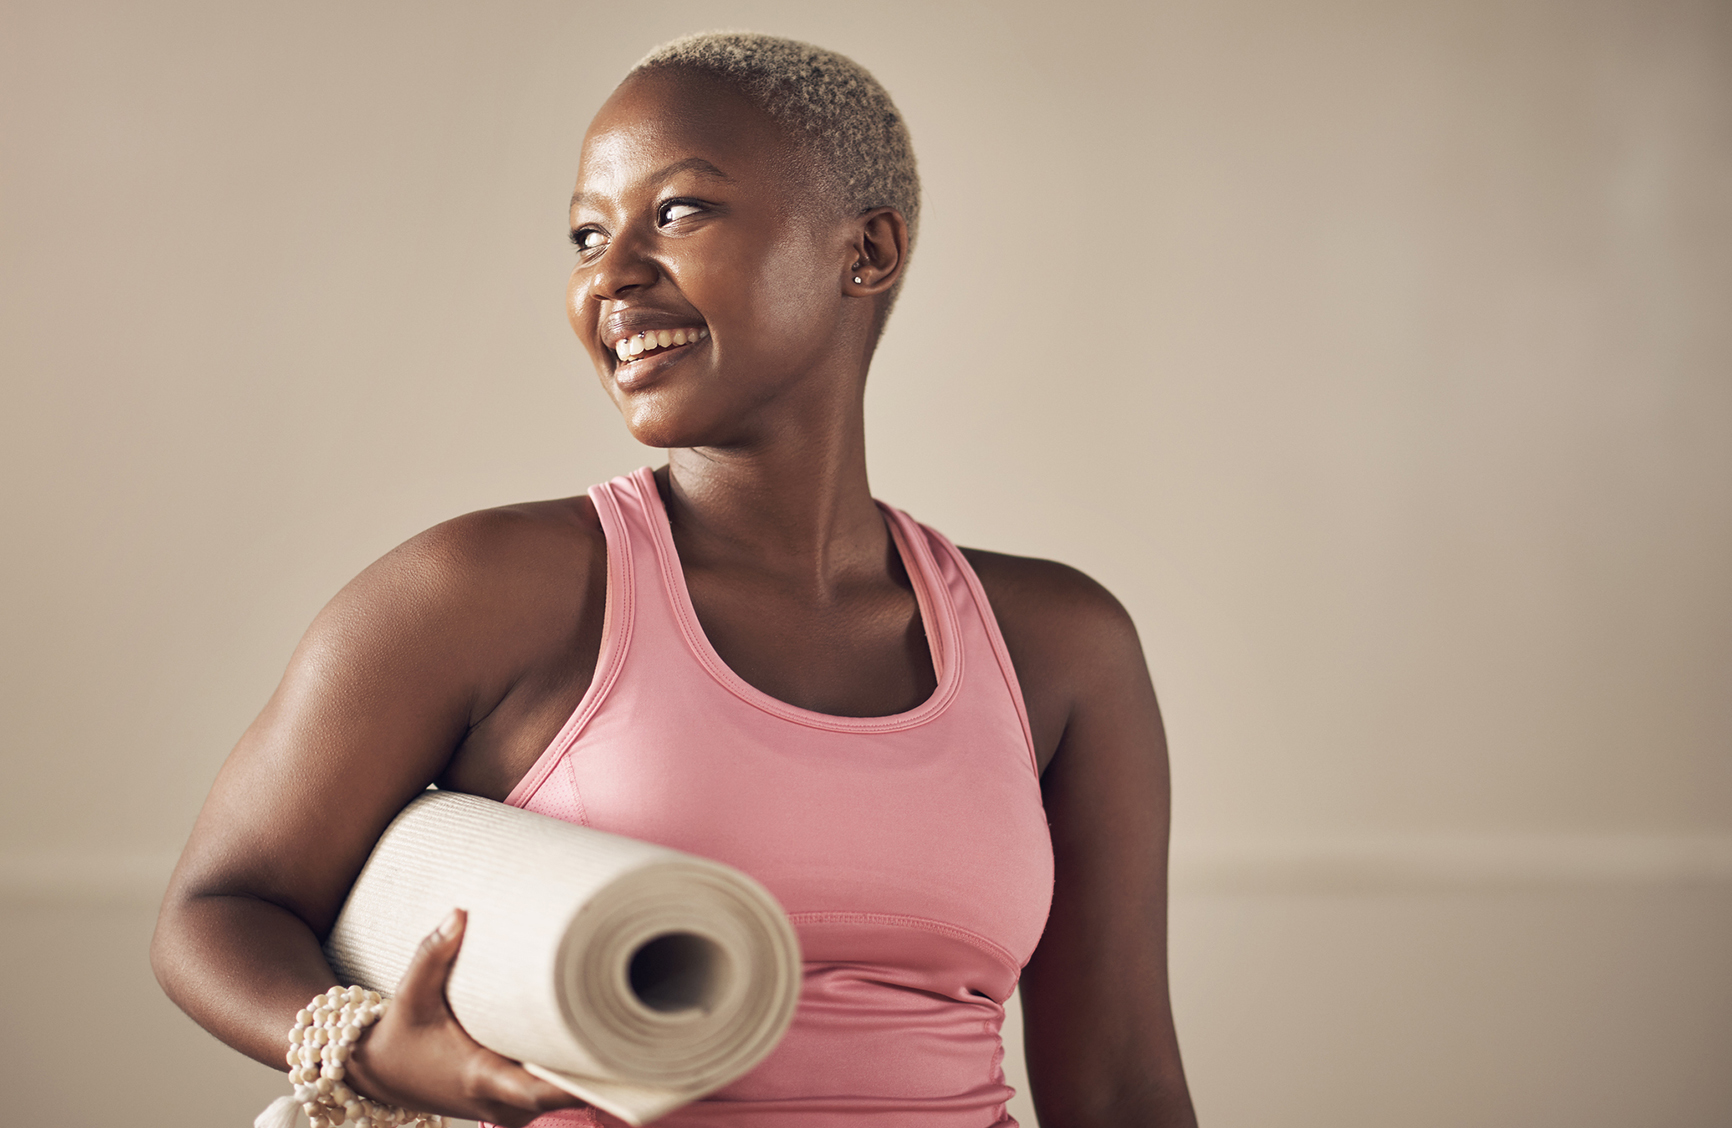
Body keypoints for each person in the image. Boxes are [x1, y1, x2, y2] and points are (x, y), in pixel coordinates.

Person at [152, 32, 1196, 1128]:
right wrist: (361, 1048)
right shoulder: (487, 593)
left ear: (867, 251)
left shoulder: (1060, 645)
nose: (609, 276)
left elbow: (1121, 1082)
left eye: (679, 213)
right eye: (587, 235)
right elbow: (219, 906)